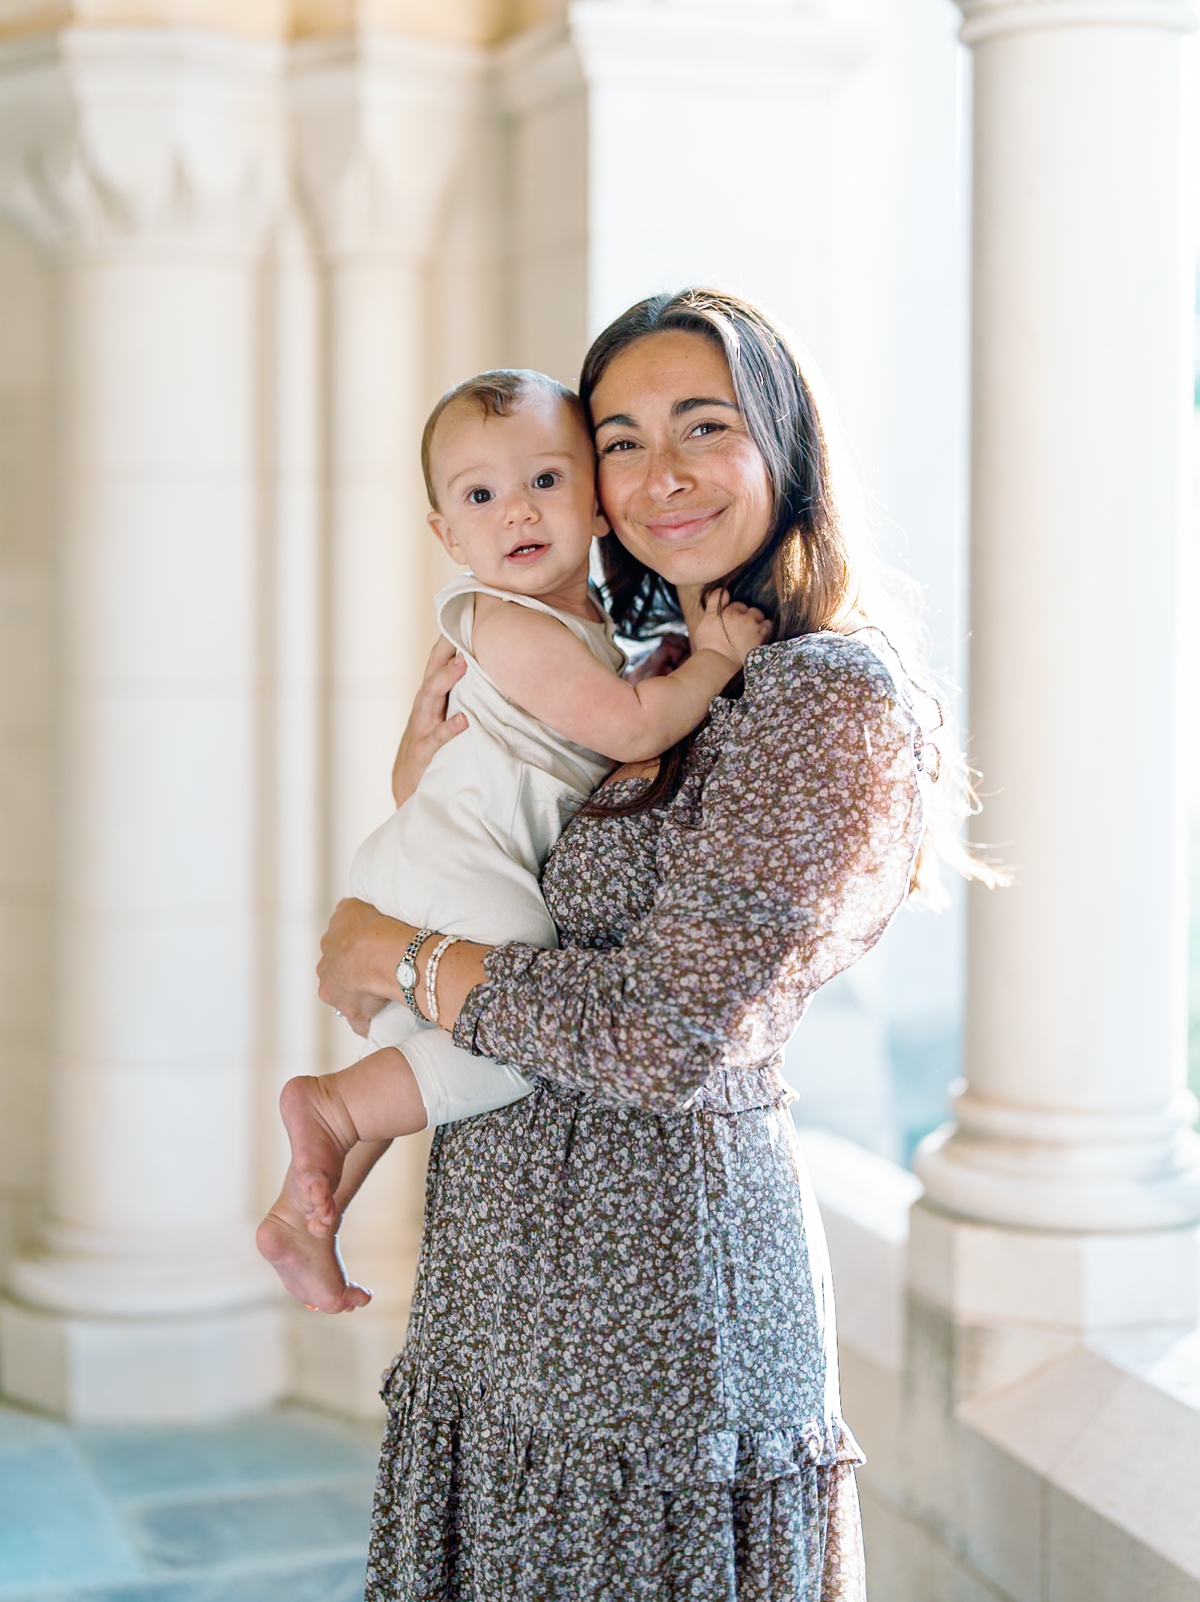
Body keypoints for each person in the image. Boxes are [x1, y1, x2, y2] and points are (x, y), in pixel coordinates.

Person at [316, 289, 998, 1599]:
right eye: (619, 439)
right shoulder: (636, 665)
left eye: (704, 424)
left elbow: (671, 1032)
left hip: (661, 1293)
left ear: (786, 446)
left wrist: (397, 951)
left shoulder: (823, 694)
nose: (658, 472)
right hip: (499, 1266)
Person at [257, 366, 768, 1316]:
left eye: (545, 480)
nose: (516, 512)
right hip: (465, 878)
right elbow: (627, 729)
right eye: (480, 496)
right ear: (448, 536)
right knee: (514, 1037)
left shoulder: (586, 629)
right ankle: (325, 1111)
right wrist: (716, 660)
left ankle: (305, 1213)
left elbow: (433, 779)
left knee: (421, 1051)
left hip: (429, 860)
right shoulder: (507, 618)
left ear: (596, 505)